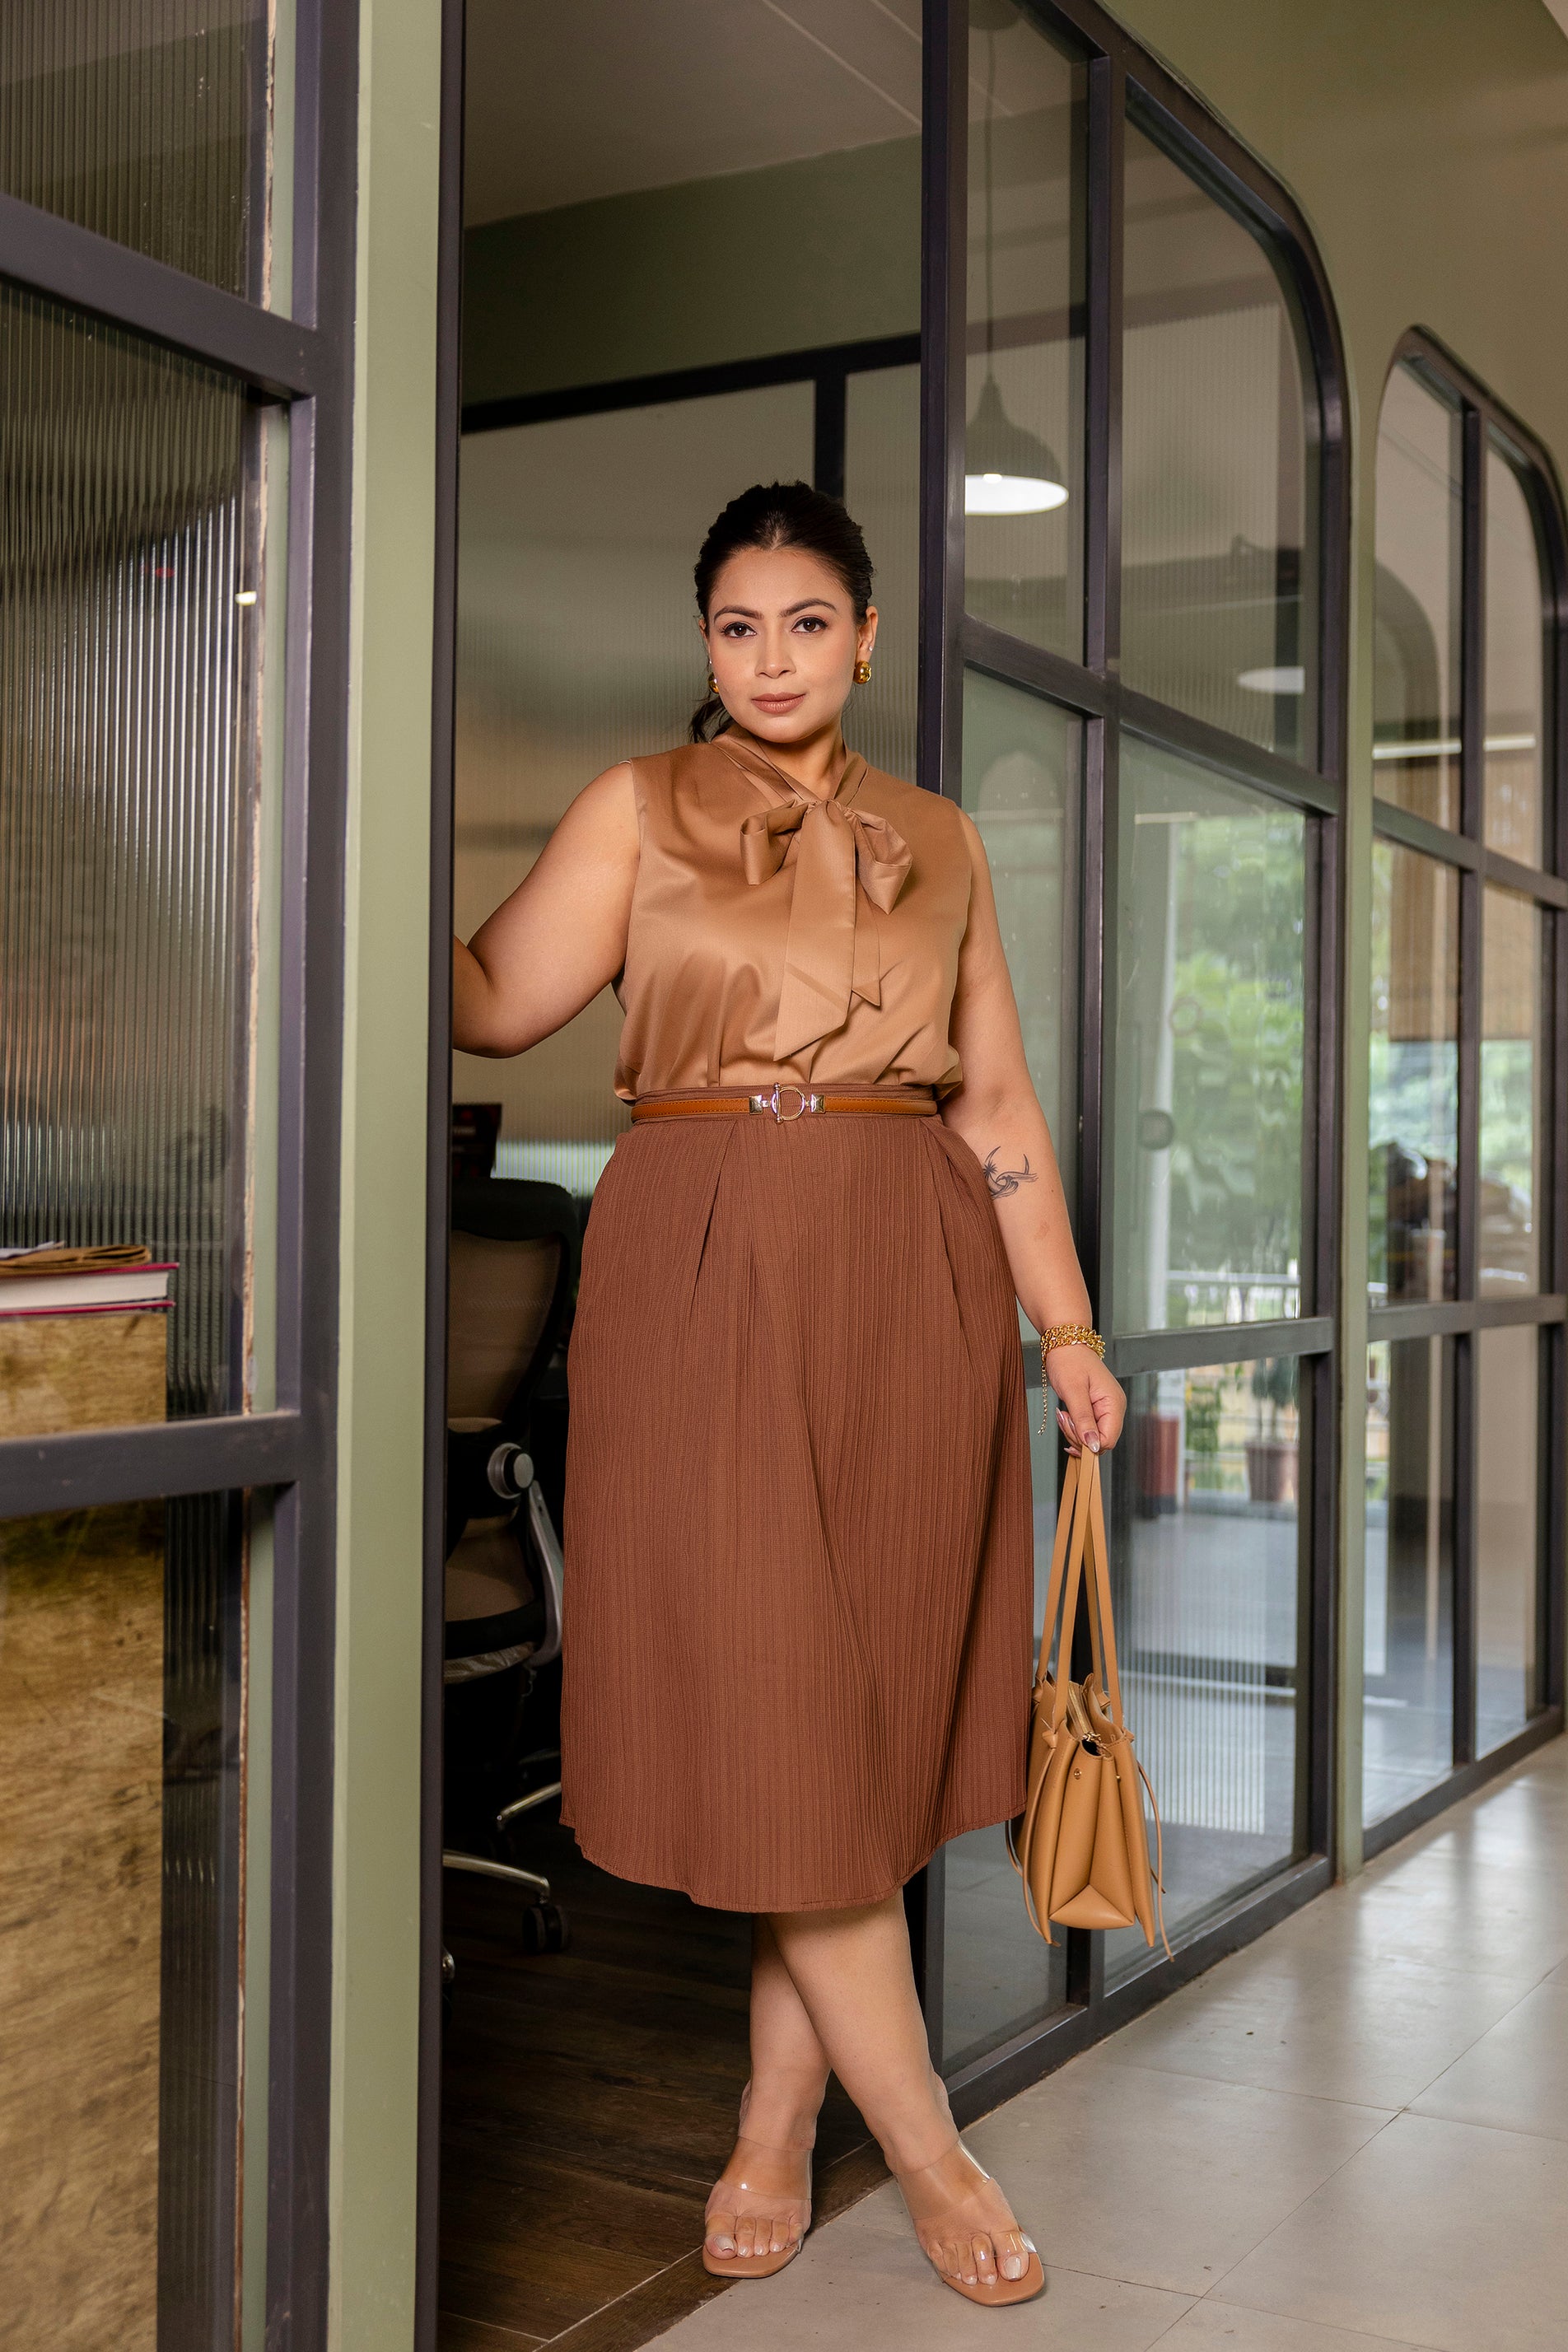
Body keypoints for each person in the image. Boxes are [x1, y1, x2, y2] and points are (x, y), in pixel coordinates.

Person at [452, 481, 1124, 2309]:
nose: (769, 660)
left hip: (905, 1276)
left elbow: (990, 1113)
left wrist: (1064, 1329)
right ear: (706, 644)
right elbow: (495, 1003)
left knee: (857, 1723)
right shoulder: (634, 807)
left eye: (805, 623)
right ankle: (928, 2151)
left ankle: (770, 2118)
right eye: (737, 628)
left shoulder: (942, 839)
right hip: (701, 1263)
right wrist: (326, 869)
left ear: (864, 636)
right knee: (782, 1695)